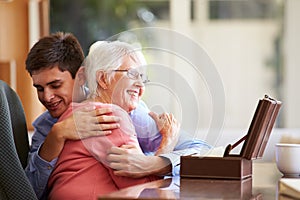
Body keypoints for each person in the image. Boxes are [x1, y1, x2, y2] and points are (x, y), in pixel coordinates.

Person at [25, 32, 211, 199]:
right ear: (103, 78)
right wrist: (56, 135)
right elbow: (146, 191)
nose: (47, 97)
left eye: (56, 85)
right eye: (39, 89)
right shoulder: (54, 125)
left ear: (81, 77)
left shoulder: (131, 113)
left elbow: (204, 152)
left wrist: (156, 163)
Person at [47, 40, 174, 199]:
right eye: (133, 74)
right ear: (103, 79)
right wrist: (167, 143)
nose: (141, 86)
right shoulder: (108, 116)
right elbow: (146, 191)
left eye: (143, 78)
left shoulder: (74, 112)